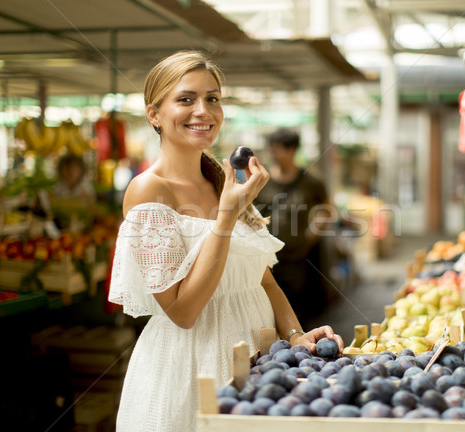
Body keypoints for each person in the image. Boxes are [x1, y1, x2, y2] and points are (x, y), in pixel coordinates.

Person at [108, 51, 343, 432]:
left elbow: (262, 280)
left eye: (213, 98)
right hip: (192, 371)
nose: (203, 110)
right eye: (186, 99)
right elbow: (183, 312)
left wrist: (296, 337)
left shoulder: (222, 180)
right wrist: (227, 216)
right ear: (154, 115)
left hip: (259, 365)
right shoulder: (149, 189)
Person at [255, 128, 333, 329]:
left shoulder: (311, 182)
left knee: (297, 307)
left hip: (297, 258)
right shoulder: (260, 179)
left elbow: (326, 210)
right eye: (271, 150)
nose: (272, 155)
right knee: (264, 309)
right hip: (265, 257)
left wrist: (311, 235)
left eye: (277, 150)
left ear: (292, 151)